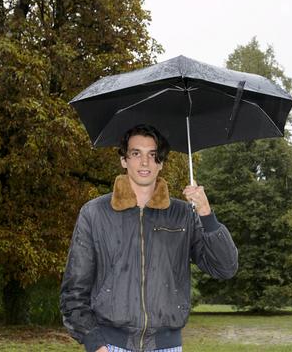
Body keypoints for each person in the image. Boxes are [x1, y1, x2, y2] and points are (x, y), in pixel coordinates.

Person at [60, 124, 238, 352]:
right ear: (124, 160)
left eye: (153, 155)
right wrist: (95, 343)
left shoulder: (183, 214)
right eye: (136, 153)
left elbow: (225, 268)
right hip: (110, 345)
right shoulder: (94, 213)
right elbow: (73, 291)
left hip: (167, 347)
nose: (145, 162)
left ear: (161, 163)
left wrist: (206, 214)